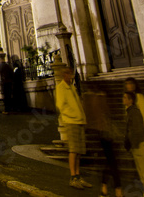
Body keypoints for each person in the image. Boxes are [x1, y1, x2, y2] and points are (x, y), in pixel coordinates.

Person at [55, 62, 91, 190]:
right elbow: (61, 105)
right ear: (64, 75)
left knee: (79, 151)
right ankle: (73, 177)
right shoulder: (61, 88)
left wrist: (81, 117)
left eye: (71, 74)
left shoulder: (72, 87)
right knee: (73, 150)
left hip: (79, 121)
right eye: (69, 74)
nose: (71, 76)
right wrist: (73, 116)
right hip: (71, 122)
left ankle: (78, 175)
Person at [87, 86, 122, 197]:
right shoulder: (100, 99)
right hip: (105, 133)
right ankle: (116, 189)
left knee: (110, 162)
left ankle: (105, 187)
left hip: (104, 133)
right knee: (112, 162)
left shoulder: (95, 99)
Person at [123, 78, 144, 145]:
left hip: (142, 133)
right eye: (127, 84)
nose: (129, 85)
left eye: (130, 83)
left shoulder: (139, 97)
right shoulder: (128, 98)